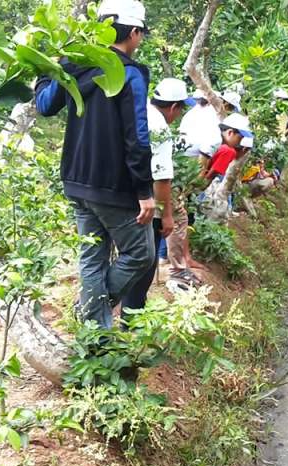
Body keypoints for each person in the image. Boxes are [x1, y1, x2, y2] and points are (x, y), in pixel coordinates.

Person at [35, 0, 154, 329]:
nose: (139, 40)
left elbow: (45, 105)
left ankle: (95, 335)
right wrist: (145, 191)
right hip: (114, 186)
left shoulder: (74, 65)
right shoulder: (130, 74)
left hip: (76, 180)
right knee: (141, 254)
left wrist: (47, 71)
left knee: (92, 255)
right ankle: (91, 312)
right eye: (140, 34)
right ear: (133, 33)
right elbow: (138, 138)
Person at [121, 78, 194, 313]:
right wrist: (166, 216)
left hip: (119, 196)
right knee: (145, 260)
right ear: (173, 107)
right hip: (145, 202)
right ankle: (132, 315)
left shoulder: (137, 111)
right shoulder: (160, 127)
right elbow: (162, 178)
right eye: (180, 109)